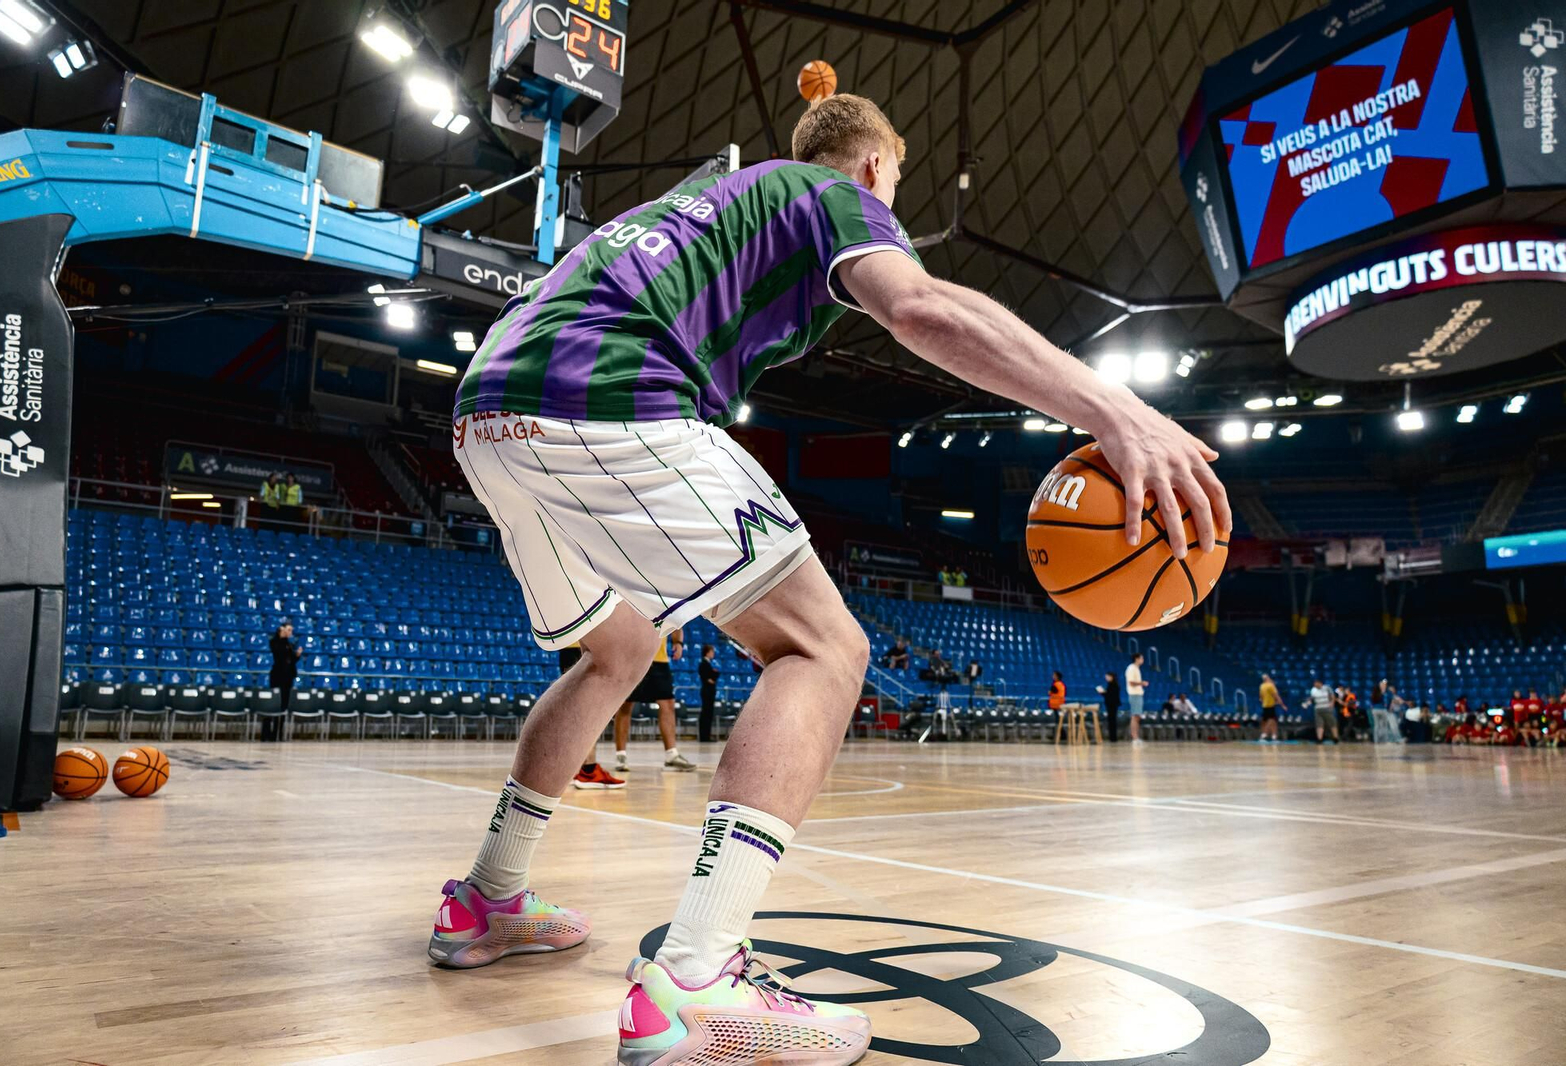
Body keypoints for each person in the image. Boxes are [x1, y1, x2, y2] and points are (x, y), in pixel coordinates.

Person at [432, 92, 1229, 1062]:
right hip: (604, 395)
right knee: (821, 646)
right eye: (892, 185)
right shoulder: (829, 190)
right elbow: (921, 307)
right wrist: (1111, 409)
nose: (890, 205)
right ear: (873, 173)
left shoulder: (718, 200)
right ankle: (697, 978)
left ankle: (486, 900)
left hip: (489, 410)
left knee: (620, 648)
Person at [613, 629, 695, 773]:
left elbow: (675, 617)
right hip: (632, 658)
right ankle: (621, 756)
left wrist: (678, 642)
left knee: (668, 703)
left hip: (659, 658)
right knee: (625, 706)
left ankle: (671, 755)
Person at [562, 644, 625, 790]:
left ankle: (579, 769)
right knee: (588, 709)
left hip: (571, 646)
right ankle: (588, 772)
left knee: (579, 709)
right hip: (585, 648)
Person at [266, 623, 301, 740]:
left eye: (291, 630)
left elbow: (290, 660)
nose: (290, 632)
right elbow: (278, 653)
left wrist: (297, 656)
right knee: (273, 704)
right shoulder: (276, 642)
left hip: (288, 678)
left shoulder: (289, 644)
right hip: (277, 677)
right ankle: (267, 733)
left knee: (283, 706)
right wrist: (280, 636)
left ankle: (278, 733)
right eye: (288, 630)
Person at [697, 643, 720, 742]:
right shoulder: (704, 664)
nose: (713, 653)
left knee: (708, 714)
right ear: (707, 652)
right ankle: (704, 736)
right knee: (706, 714)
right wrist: (715, 673)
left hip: (709, 691)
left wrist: (714, 673)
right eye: (712, 652)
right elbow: (709, 679)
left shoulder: (707, 664)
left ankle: (706, 735)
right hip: (707, 691)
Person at [1308, 678, 1340, 744]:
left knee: (1332, 723)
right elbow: (1312, 698)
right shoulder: (1313, 690)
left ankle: (1335, 738)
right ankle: (1319, 739)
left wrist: (1332, 703)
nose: (1314, 684)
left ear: (1320, 683)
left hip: (1327, 708)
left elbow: (1332, 696)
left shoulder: (1327, 688)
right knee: (1319, 724)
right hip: (1318, 709)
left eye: (1316, 683)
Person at [1125, 652, 1147, 745]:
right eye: (1141, 658)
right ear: (1137, 659)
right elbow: (1131, 682)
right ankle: (1134, 737)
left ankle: (1136, 736)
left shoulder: (1137, 669)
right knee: (1135, 716)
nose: (1143, 660)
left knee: (1137, 716)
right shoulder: (1131, 668)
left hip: (1138, 694)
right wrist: (1142, 683)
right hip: (1134, 694)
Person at [1258, 673, 1285, 743]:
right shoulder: (1271, 686)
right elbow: (1276, 696)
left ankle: (1274, 736)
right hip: (1270, 706)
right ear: (1267, 679)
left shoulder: (1261, 686)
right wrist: (1282, 705)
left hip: (1265, 705)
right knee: (1271, 720)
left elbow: (1260, 698)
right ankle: (1264, 735)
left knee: (1271, 721)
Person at [1098, 671, 1121, 742]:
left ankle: (1113, 737)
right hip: (1112, 704)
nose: (1106, 678)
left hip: (1112, 704)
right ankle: (1113, 737)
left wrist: (1102, 693)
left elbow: (1109, 695)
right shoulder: (1113, 684)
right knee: (1112, 720)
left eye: (1107, 676)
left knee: (1112, 720)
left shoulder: (1113, 685)